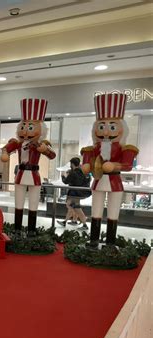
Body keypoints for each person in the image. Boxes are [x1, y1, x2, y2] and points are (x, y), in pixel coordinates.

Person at [81, 93, 138, 247]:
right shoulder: (92, 148)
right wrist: (85, 166)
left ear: (122, 128)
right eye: (101, 126)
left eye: (112, 127)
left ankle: (111, 242)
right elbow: (86, 161)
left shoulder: (125, 148)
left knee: (113, 212)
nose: (105, 132)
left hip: (115, 182)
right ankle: (94, 239)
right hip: (98, 181)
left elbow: (128, 165)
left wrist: (115, 166)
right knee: (96, 211)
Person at [0, 98, 56, 235]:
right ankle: (17, 229)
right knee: (18, 203)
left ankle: (31, 230)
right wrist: (5, 153)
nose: (25, 131)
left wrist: (45, 150)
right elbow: (6, 149)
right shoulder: (18, 143)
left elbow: (52, 155)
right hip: (20, 174)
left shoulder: (40, 144)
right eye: (23, 127)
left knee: (33, 204)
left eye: (30, 127)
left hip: (34, 175)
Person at [57, 157, 91, 230]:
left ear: (72, 164)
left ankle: (84, 222)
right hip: (79, 193)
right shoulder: (82, 171)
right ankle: (66, 221)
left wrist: (63, 176)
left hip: (75, 193)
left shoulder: (73, 173)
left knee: (74, 207)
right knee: (72, 206)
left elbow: (65, 181)